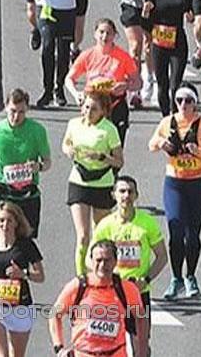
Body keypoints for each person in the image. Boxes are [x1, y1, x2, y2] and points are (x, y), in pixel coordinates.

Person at [147, 82, 201, 298]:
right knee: (176, 230)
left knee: (193, 234)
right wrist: (162, 143)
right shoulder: (167, 122)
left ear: (195, 103)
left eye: (188, 100)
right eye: (179, 100)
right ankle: (176, 278)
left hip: (198, 184)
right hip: (175, 184)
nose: (183, 105)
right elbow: (151, 144)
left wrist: (199, 152)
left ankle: (191, 276)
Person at [47, 239, 148, 357]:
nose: (102, 265)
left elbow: (141, 318)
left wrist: (142, 352)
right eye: (98, 260)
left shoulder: (127, 289)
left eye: (107, 260)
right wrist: (59, 348)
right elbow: (54, 314)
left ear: (115, 262)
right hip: (83, 353)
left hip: (116, 353)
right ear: (91, 262)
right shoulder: (78, 286)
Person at [63, 90, 124, 278]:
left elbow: (119, 162)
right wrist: (68, 150)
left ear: (103, 111)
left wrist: (101, 157)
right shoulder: (74, 124)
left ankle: (100, 273)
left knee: (100, 235)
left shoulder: (109, 130)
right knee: (82, 236)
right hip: (79, 180)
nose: (88, 112)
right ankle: (81, 276)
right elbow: (66, 143)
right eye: (86, 107)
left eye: (94, 109)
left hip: (102, 183)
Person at [0, 201, 46, 357]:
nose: (5, 225)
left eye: (9, 220)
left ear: (16, 223)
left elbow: (40, 276)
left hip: (19, 307)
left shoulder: (26, 246)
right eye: (1, 220)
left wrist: (23, 274)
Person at [0, 89, 52, 232]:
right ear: (6, 107)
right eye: (13, 111)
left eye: (21, 112)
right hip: (4, 192)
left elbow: (47, 162)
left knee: (27, 237)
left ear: (27, 110)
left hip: (28, 193)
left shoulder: (37, 130)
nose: (16, 116)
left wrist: (38, 166)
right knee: (4, 235)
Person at [91, 176, 170, 301]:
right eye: (122, 191)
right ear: (114, 195)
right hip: (112, 291)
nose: (126, 195)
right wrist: (105, 276)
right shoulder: (105, 225)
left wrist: (146, 280)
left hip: (139, 291)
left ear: (136, 195)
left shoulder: (148, 223)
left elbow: (162, 256)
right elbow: (89, 258)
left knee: (140, 315)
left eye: (130, 191)